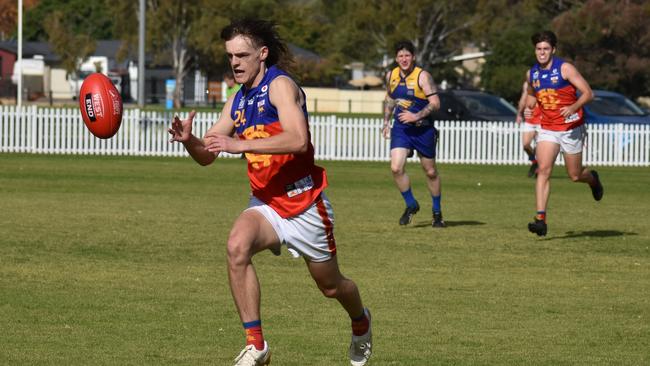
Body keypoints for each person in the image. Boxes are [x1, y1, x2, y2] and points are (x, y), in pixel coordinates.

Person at [168, 19, 372, 366]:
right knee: (236, 246)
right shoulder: (236, 101)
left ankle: (361, 321)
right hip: (266, 204)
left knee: (331, 287)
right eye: (230, 56)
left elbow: (298, 139)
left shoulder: (281, 86)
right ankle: (256, 345)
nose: (235, 63)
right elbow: (208, 155)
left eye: (242, 55)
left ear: (262, 54)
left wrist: (239, 143)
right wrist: (190, 142)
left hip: (305, 204)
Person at [523, 30, 604, 237]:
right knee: (543, 170)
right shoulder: (532, 73)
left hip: (570, 128)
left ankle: (592, 179)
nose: (542, 52)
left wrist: (573, 107)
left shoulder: (565, 68)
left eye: (546, 49)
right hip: (548, 127)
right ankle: (540, 219)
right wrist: (528, 108)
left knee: (575, 175)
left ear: (553, 50)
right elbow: (533, 96)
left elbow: (588, 93)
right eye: (539, 49)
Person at [382, 40, 445, 228]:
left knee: (430, 172)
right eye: (400, 56)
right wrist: (386, 122)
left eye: (407, 55)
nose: (404, 59)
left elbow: (436, 103)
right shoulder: (391, 75)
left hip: (423, 128)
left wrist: (416, 115)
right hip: (401, 128)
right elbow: (390, 99)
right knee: (396, 168)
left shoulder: (422, 76)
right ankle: (411, 204)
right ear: (396, 58)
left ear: (414, 57)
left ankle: (437, 212)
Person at [516, 80, 542, 178]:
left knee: (539, 147)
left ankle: (538, 168)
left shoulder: (546, 80)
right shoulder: (527, 83)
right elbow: (523, 98)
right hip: (530, 119)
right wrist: (519, 114)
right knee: (526, 145)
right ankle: (535, 162)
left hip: (542, 119)